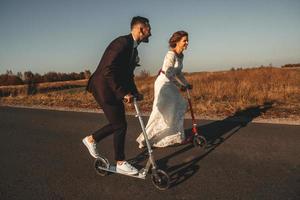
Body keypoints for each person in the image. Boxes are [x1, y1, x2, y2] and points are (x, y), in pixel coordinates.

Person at [82, 16, 151, 175]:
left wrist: (134, 92)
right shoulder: (121, 43)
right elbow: (108, 71)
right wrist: (122, 93)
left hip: (112, 88)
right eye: (149, 29)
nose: (151, 33)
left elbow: (127, 75)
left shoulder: (133, 49)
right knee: (120, 125)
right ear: (141, 29)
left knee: (118, 123)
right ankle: (120, 162)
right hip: (103, 88)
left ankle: (91, 139)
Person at [136, 31, 192, 148]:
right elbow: (168, 73)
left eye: (187, 40)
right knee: (160, 111)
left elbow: (178, 73)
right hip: (164, 84)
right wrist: (180, 86)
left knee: (176, 107)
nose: (187, 42)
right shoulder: (170, 55)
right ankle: (145, 139)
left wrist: (186, 84)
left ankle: (175, 136)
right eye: (184, 40)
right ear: (176, 42)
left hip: (170, 83)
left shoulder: (181, 55)